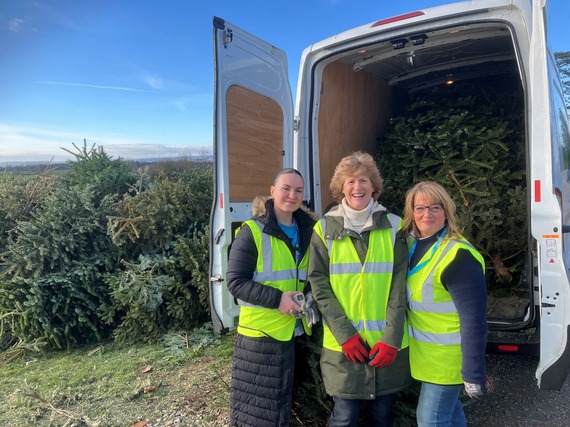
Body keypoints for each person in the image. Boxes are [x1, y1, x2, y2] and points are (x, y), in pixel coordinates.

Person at [308, 151, 411, 427]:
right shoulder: (323, 229)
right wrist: (345, 335)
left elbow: (400, 287)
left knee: (381, 417)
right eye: (350, 181)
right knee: (344, 417)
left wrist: (391, 338)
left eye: (363, 180)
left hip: (385, 346)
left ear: (374, 187)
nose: (357, 187)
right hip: (343, 347)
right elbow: (319, 284)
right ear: (341, 187)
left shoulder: (394, 226)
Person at [226, 168, 319, 427]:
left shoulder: (309, 230)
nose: (292, 195)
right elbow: (235, 282)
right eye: (286, 188)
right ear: (272, 191)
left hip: (297, 333)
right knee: (258, 413)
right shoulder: (252, 232)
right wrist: (278, 300)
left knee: (283, 409)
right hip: (261, 336)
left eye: (298, 190)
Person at [403, 181, 488, 427]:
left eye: (435, 207)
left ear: (446, 211)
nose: (426, 214)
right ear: (411, 213)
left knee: (431, 420)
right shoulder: (411, 245)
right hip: (427, 356)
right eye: (419, 208)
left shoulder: (458, 255)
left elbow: (474, 321)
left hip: (448, 359)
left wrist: (474, 372)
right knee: (451, 417)